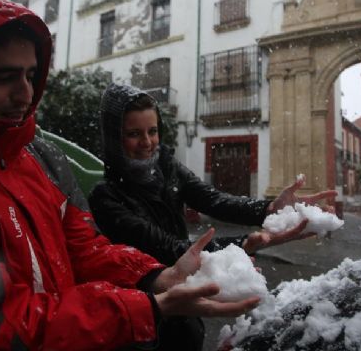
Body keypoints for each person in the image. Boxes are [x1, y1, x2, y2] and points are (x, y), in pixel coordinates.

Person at [0, 0, 260, 351]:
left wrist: (156, 276)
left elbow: (84, 247)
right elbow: (0, 324)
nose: (26, 94)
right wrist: (149, 306)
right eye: (3, 77)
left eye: (30, 75)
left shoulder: (40, 156)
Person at [88, 84, 338, 350]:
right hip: (143, 317)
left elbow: (213, 200)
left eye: (153, 131)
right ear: (115, 138)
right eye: (134, 134)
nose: (147, 142)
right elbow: (167, 248)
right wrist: (244, 245)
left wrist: (267, 210)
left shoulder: (166, 168)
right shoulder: (106, 197)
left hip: (187, 306)